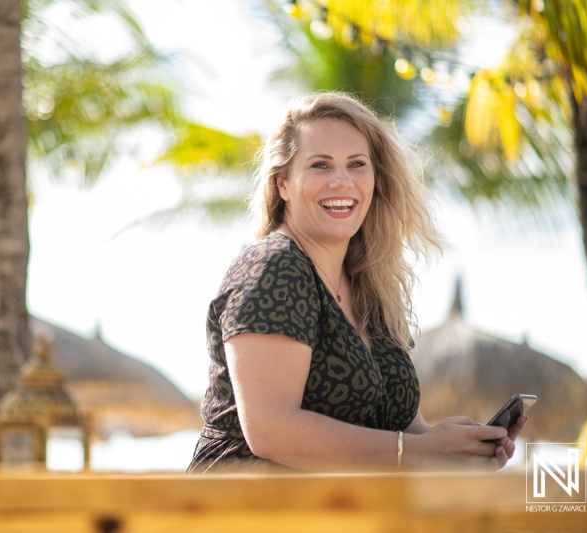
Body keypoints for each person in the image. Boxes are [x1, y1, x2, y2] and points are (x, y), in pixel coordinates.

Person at [187, 92, 526, 474]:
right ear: (282, 183)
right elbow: (271, 430)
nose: (342, 181)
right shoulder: (273, 267)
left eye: (356, 164)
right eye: (320, 165)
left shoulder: (371, 290)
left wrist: (453, 445)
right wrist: (420, 450)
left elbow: (401, 433)